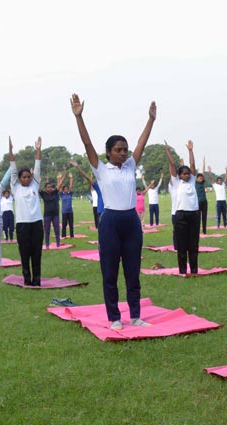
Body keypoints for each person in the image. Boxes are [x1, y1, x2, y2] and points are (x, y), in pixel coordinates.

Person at [71, 93, 156, 330]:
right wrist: (79, 117)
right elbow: (87, 144)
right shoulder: (101, 169)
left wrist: (150, 120)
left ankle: (136, 316)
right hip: (110, 222)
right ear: (108, 152)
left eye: (125, 150)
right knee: (109, 272)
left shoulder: (130, 166)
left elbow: (142, 143)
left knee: (132, 272)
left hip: (130, 221)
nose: (124, 153)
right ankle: (115, 318)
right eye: (118, 150)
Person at [12, 137, 44, 285]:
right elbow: (12, 167)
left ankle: (37, 279)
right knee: (25, 253)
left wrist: (38, 150)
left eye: (28, 177)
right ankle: (27, 279)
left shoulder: (35, 185)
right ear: (19, 179)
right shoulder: (15, 187)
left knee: (37, 252)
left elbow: (37, 166)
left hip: (36, 223)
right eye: (24, 177)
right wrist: (11, 152)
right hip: (22, 225)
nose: (27, 179)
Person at [166, 143, 200, 274]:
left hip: (194, 215)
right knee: (182, 245)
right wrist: (168, 152)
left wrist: (191, 150)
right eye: (184, 174)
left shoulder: (192, 181)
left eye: (188, 174)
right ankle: (182, 270)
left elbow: (192, 165)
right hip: (181, 216)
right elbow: (173, 165)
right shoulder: (176, 183)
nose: (187, 175)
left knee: (193, 245)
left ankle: (194, 270)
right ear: (179, 175)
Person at [70, 160, 104, 227]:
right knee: (102, 232)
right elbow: (87, 177)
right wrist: (77, 167)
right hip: (101, 211)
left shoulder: (112, 185)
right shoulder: (98, 185)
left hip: (111, 211)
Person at [40, 174, 65, 249]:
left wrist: (64, 173)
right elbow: (36, 187)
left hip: (55, 214)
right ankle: (47, 245)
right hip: (47, 215)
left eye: (50, 187)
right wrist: (38, 180)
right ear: (45, 188)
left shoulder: (55, 192)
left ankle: (58, 244)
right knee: (47, 230)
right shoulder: (43, 194)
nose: (50, 188)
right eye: (48, 187)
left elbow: (60, 185)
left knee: (57, 230)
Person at [60, 173, 75, 238]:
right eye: (65, 189)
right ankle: (63, 235)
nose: (66, 190)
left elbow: (71, 186)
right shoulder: (61, 195)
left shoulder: (70, 194)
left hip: (70, 212)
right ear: (63, 190)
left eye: (67, 189)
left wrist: (71, 178)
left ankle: (72, 236)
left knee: (71, 225)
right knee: (64, 225)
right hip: (64, 212)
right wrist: (59, 178)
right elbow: (60, 186)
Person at [195, 168, 209, 235]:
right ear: (197, 178)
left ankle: (204, 231)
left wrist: (204, 164)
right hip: (198, 203)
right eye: (200, 178)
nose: (201, 179)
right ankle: (197, 230)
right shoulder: (195, 183)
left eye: (202, 178)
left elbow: (203, 173)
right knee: (197, 218)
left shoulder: (203, 183)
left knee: (204, 217)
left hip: (204, 202)